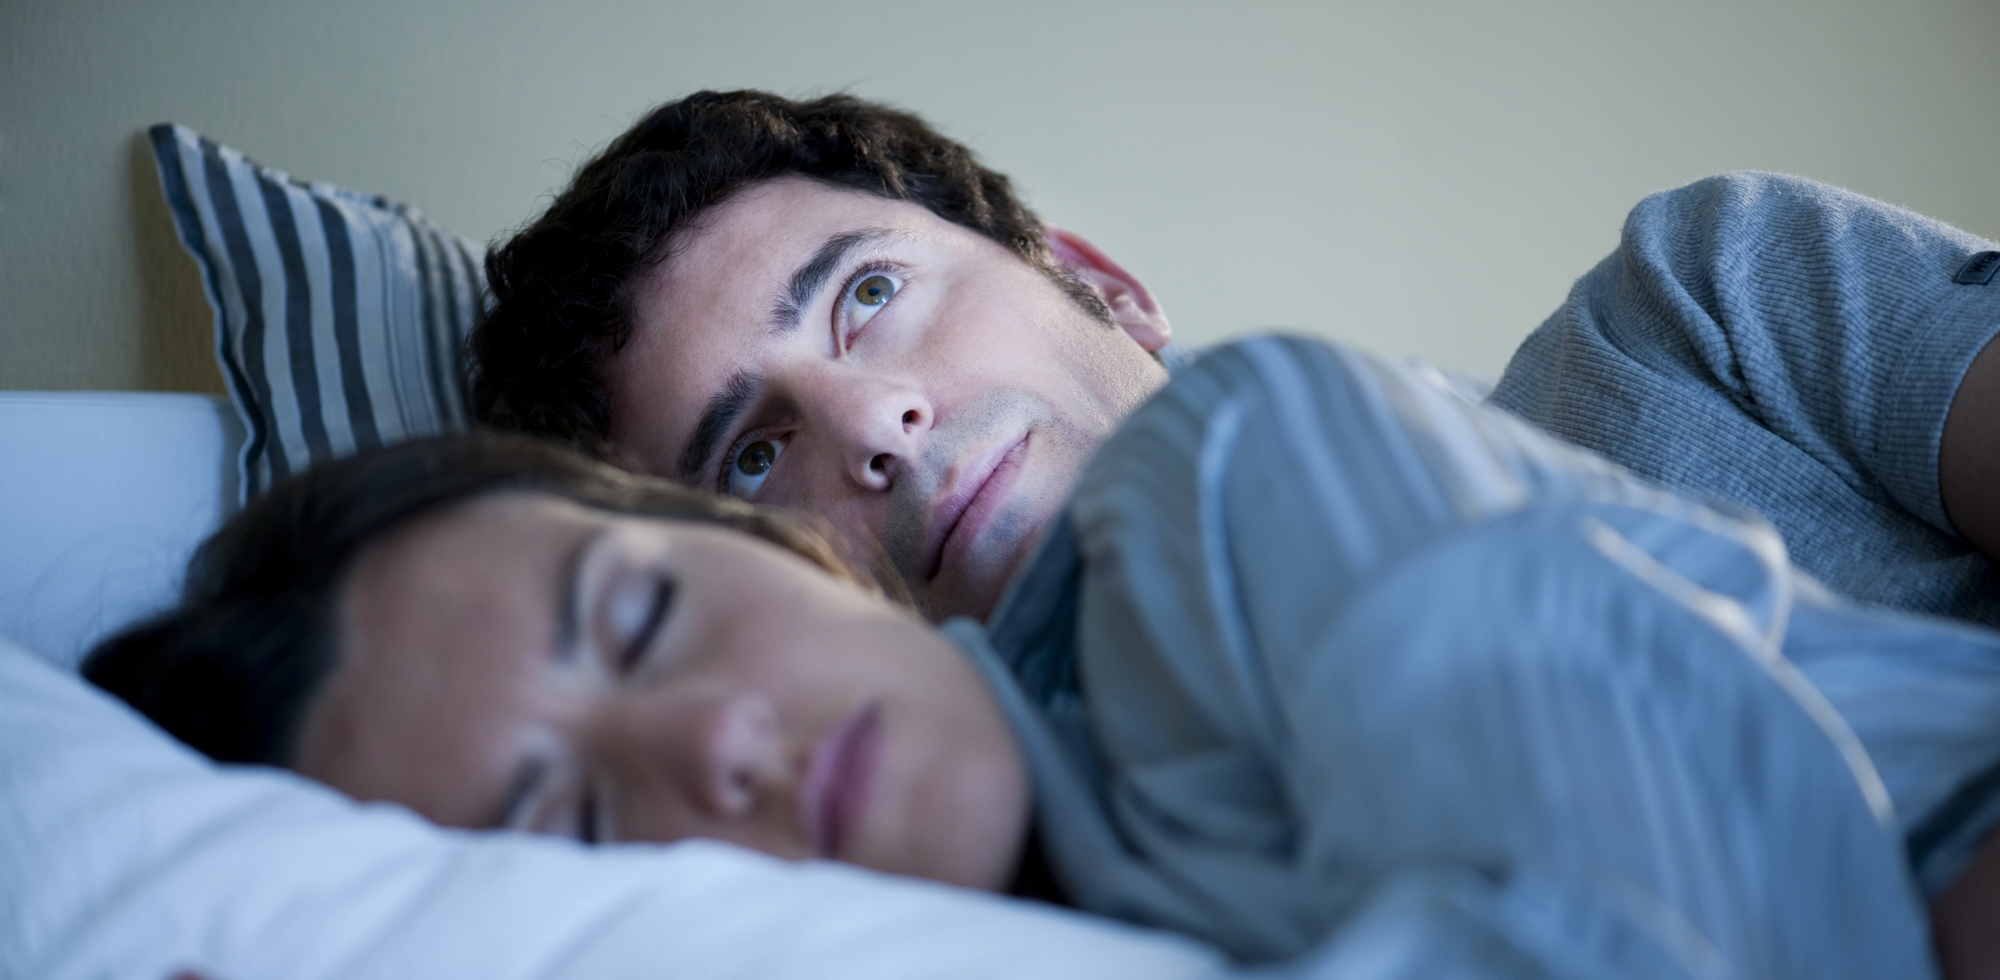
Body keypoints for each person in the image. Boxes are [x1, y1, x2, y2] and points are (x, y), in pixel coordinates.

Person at [48, 337, 2000, 980]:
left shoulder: (1224, 477)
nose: (715, 747)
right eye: (567, 825)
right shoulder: (1090, 922)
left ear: (791, 549)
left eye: (642, 618)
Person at [466, 90, 2000, 634]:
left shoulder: (1706, 305)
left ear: (1105, 286)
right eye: (749, 456)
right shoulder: (1062, 907)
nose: (869, 423)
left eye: (868, 295)